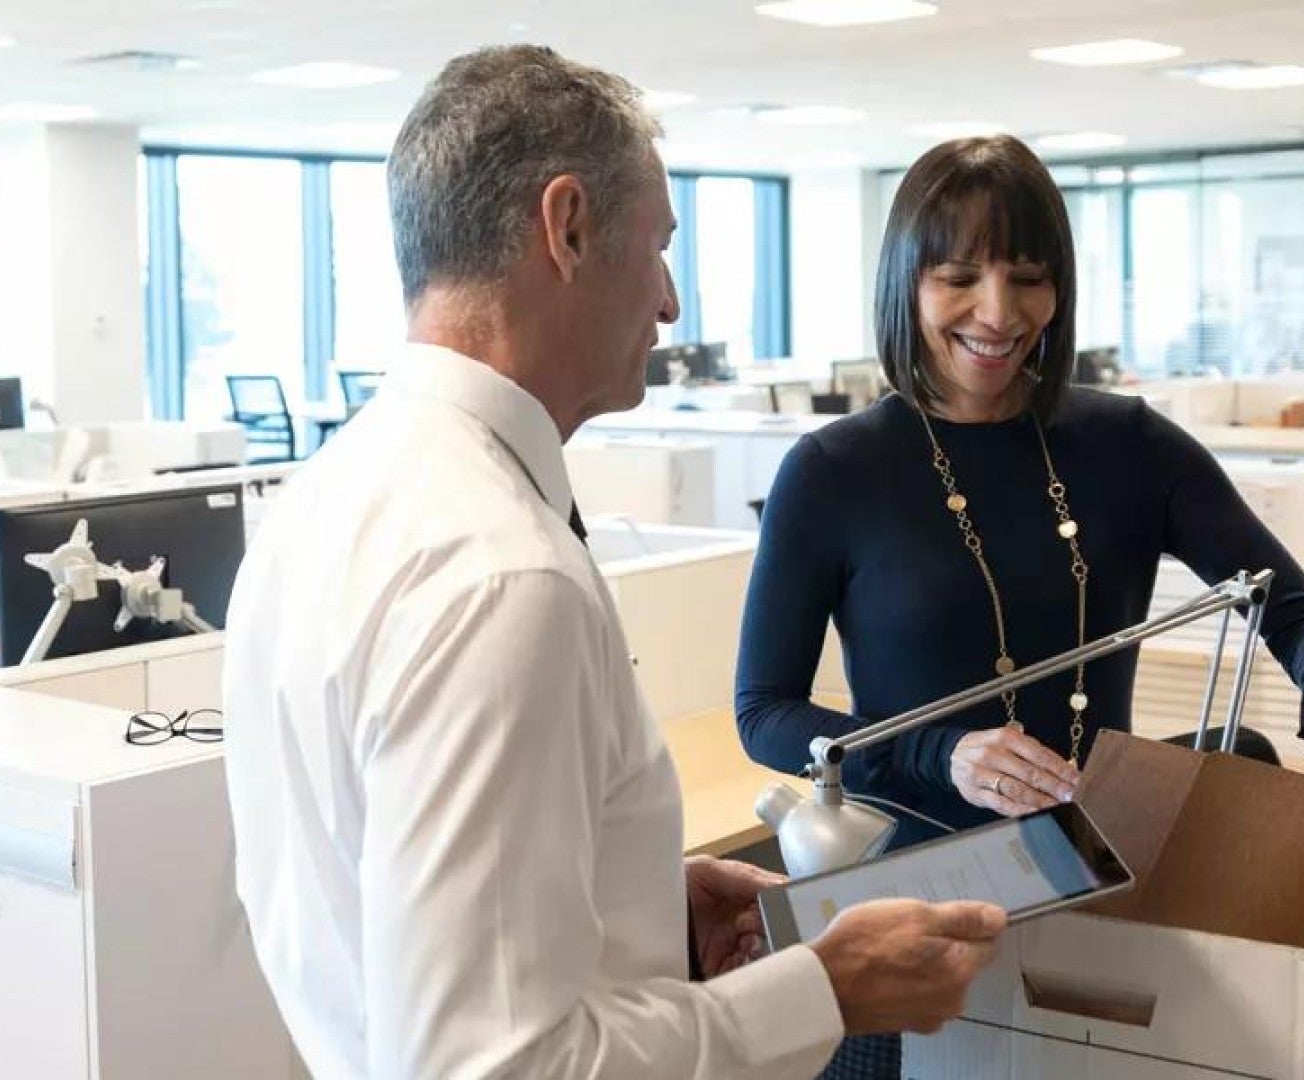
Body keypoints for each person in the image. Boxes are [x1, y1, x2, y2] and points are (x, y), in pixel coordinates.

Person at [223, 44, 1005, 1080]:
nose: (671, 302)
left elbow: (372, 902)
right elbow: (492, 1066)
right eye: (659, 244)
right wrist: (821, 990)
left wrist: (620, 905)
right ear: (570, 227)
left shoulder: (325, 499)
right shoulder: (500, 576)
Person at [735, 133, 1304, 1074]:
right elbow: (765, 714)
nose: (998, 315)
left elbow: (1287, 607)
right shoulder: (832, 473)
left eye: (1028, 277)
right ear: (906, 285)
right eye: (958, 277)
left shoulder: (1132, 445)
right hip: (913, 900)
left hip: (1098, 875)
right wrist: (941, 751)